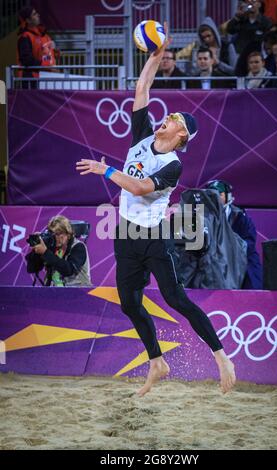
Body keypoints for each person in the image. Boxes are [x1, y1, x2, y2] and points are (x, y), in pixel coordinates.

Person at [76, 23, 236, 397]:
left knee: (176, 299)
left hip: (153, 237)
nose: (169, 118)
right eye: (171, 116)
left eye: (176, 120)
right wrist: (155, 55)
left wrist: (106, 170)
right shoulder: (142, 136)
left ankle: (221, 356)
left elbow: (140, 188)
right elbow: (142, 89)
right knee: (129, 303)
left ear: (181, 135)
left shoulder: (174, 165)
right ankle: (157, 362)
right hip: (127, 234)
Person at [205, 180, 263, 290]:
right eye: (212, 194)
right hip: (213, 262)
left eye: (220, 194)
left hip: (240, 259)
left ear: (228, 196)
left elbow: (249, 243)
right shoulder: (202, 216)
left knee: (251, 277)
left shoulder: (240, 216)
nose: (216, 198)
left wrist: (229, 250)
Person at [26, 215, 92, 287]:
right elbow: (31, 269)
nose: (55, 237)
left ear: (68, 234)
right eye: (52, 234)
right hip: (54, 293)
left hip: (77, 293)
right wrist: (36, 250)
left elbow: (68, 270)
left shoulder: (78, 247)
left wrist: (45, 252)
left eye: (58, 234)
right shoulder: (50, 246)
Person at [17, 6, 58, 88]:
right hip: (31, 79)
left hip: (47, 78)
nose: (38, 15)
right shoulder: (25, 37)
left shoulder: (44, 35)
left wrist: (56, 52)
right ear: (28, 20)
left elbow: (52, 56)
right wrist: (46, 67)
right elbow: (26, 60)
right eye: (34, 14)